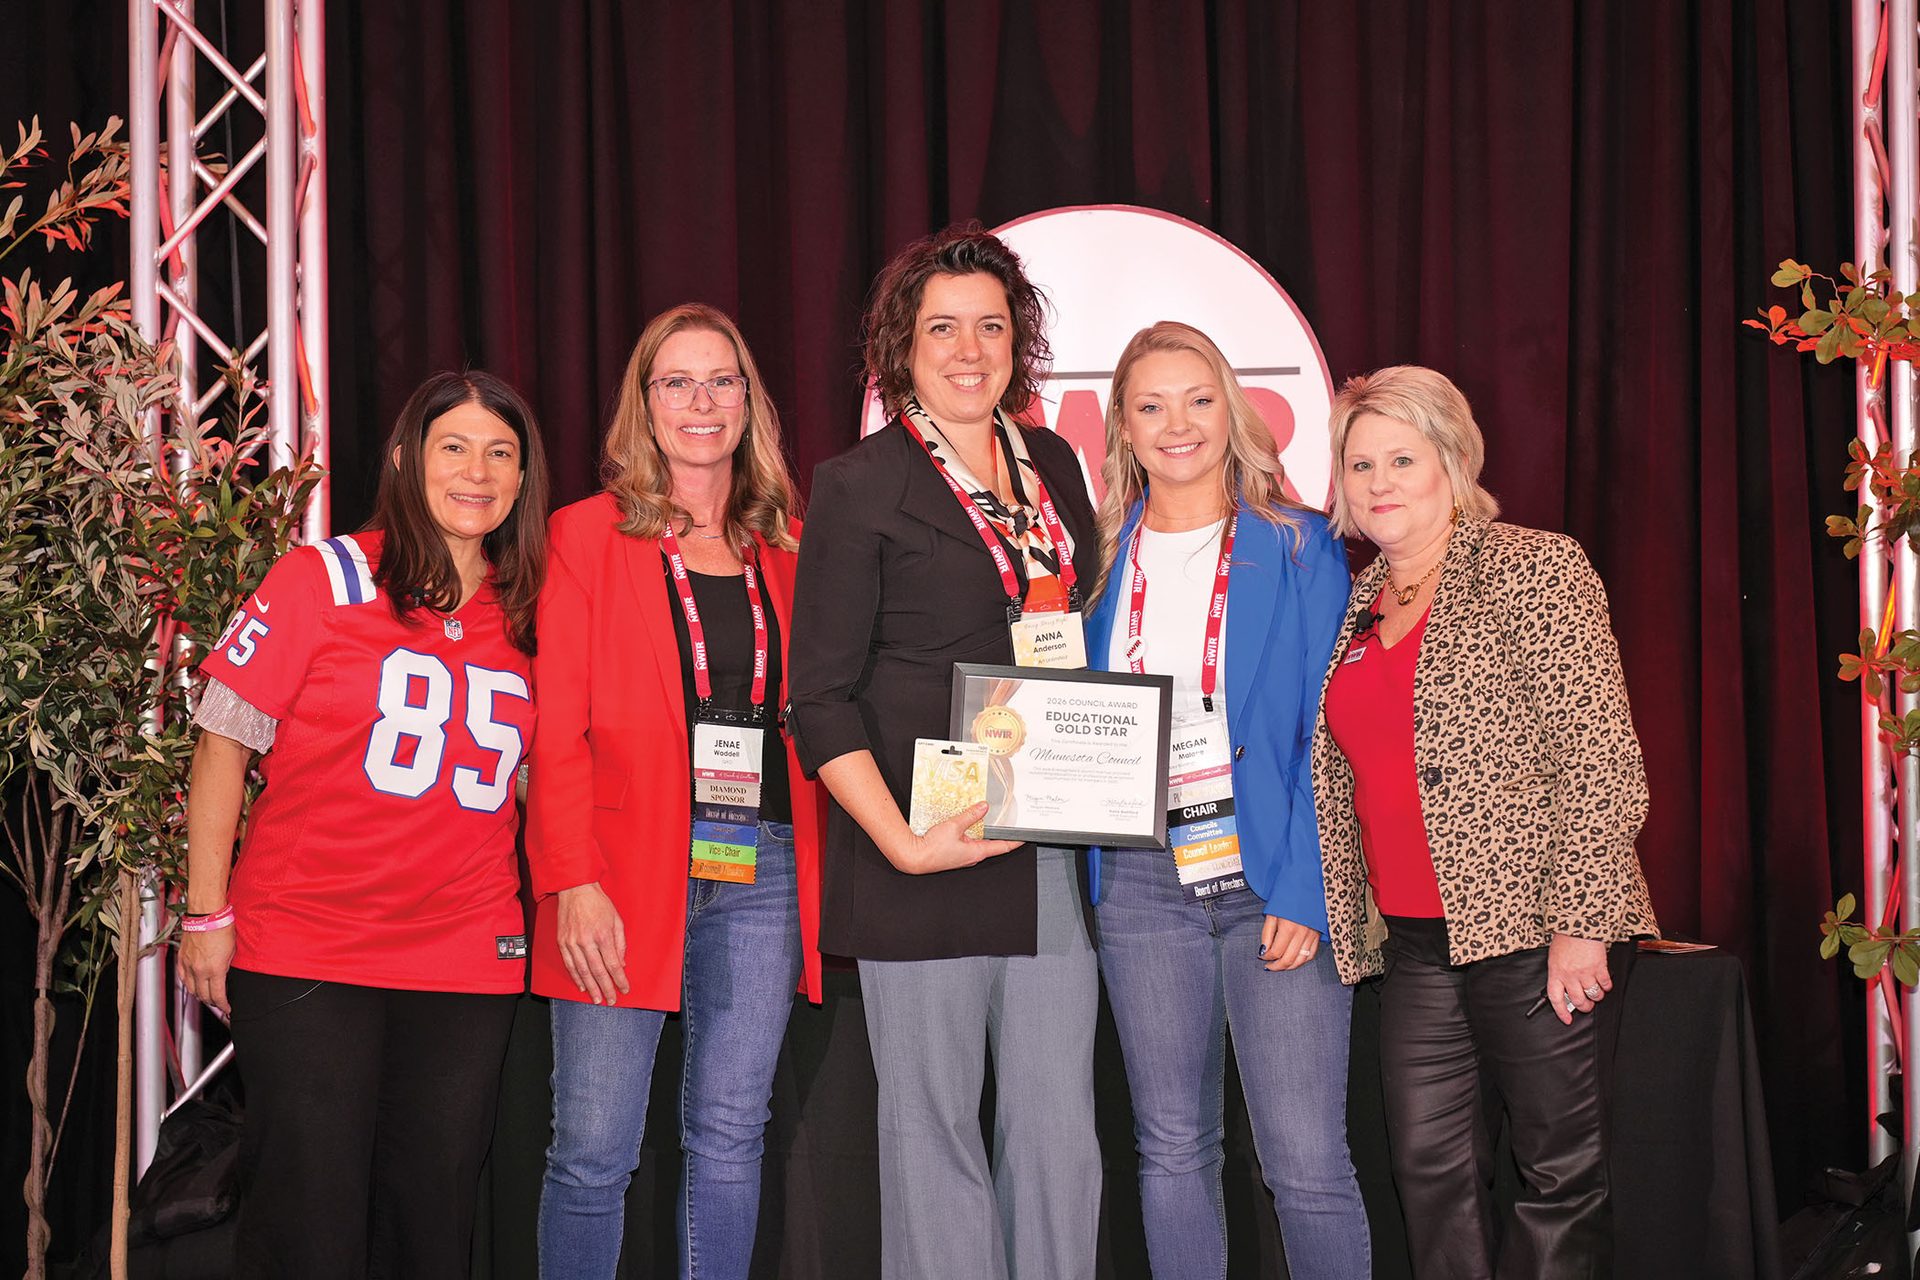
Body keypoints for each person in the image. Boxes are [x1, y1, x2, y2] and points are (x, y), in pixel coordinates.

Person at [177, 370, 550, 1279]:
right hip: (310, 946)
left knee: (433, 1208)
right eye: (452, 448)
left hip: (466, 951)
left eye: (501, 452)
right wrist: (204, 914)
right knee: (310, 1215)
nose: (478, 471)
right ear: (403, 460)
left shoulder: (536, 608)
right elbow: (222, 742)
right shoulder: (324, 577)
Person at [788, 223, 1102, 1280]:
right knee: (933, 1141)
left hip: (1049, 840)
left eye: (991, 326)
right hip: (919, 842)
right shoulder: (859, 481)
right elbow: (819, 698)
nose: (969, 350)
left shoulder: (1054, 461)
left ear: (1020, 342)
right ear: (901, 347)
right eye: (942, 329)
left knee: (1060, 1137)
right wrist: (901, 843)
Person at [1312, 364, 1659, 1278]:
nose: (1379, 483)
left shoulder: (1534, 567)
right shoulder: (1355, 606)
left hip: (1534, 930)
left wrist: (1583, 922)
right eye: (1359, 465)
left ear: (1454, 462)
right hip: (1416, 945)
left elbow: (1599, 754)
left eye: (1402, 459)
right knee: (1428, 1175)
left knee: (1556, 1177)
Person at [527, 304, 825, 1280]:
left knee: (732, 1134)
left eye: (722, 380)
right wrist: (572, 878)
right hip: (619, 867)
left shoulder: (789, 542)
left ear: (750, 401)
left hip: (763, 862)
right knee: (594, 1148)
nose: (702, 401)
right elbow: (555, 725)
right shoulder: (584, 535)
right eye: (677, 383)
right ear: (644, 408)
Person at [1081, 321, 1369, 1279]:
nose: (1178, 424)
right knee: (1170, 1152)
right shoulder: (1093, 562)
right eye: (1151, 404)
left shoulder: (1299, 548)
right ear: (1119, 424)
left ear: (1232, 408)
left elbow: (1333, 737)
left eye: (1198, 399)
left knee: (1306, 1162)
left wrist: (1311, 889)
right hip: (1138, 882)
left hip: (1271, 879)